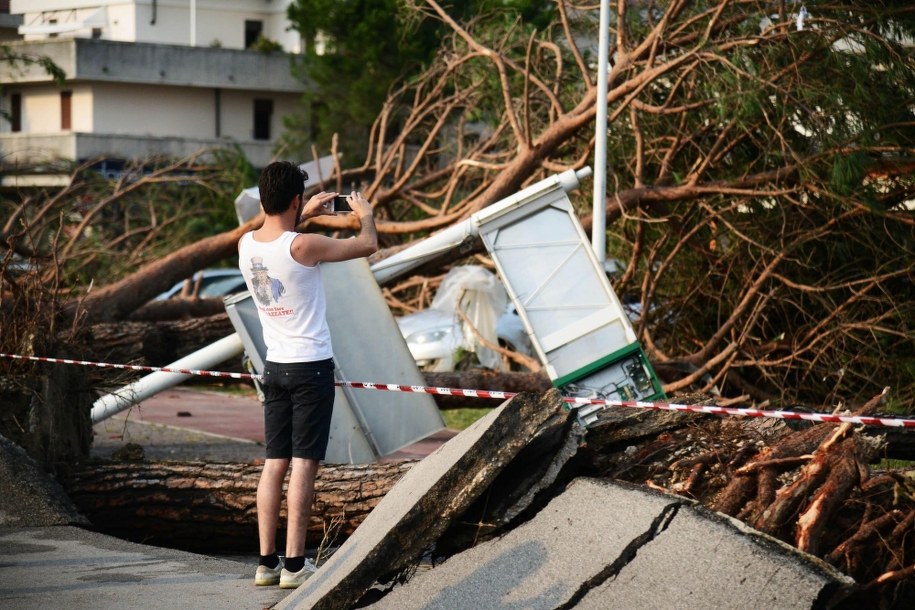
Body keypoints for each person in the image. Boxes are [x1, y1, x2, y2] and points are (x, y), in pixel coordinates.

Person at [238, 161, 377, 589]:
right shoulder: (305, 246)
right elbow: (366, 244)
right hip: (310, 367)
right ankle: (296, 566)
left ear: (263, 199)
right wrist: (364, 213)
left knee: (273, 466)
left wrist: (306, 213)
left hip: (274, 366)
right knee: (303, 467)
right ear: (296, 200)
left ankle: (266, 563)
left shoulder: (246, 245)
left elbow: (276, 229)